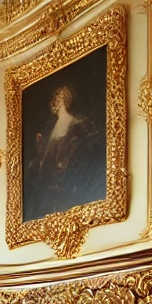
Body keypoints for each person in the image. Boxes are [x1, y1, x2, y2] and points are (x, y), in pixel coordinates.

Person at [24, 82, 104, 221]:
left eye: (59, 100)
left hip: (65, 180)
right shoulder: (51, 128)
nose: (56, 103)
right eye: (56, 100)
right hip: (49, 179)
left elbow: (73, 150)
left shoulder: (74, 124)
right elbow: (46, 155)